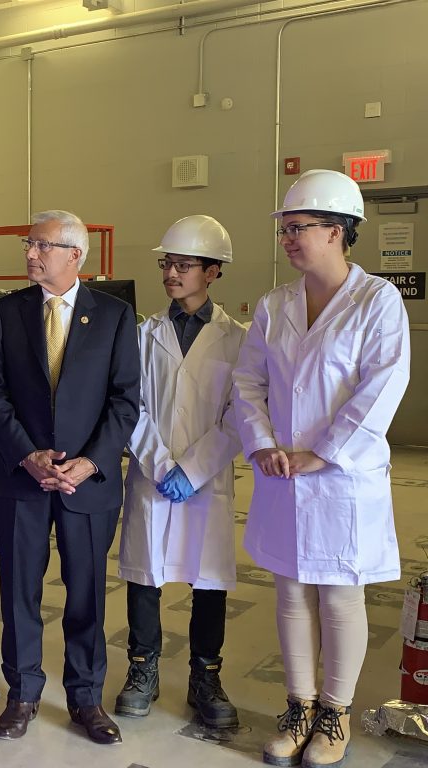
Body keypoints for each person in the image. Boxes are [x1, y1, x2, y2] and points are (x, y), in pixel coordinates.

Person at [232, 170, 410, 768]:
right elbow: (247, 380)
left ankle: (335, 713)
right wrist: (260, 443)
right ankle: (299, 706)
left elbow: (383, 387)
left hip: (341, 478)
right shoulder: (275, 303)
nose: (286, 238)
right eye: (284, 229)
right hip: (282, 473)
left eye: (297, 228)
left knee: (338, 593)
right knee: (289, 590)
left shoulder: (376, 300)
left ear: (337, 231)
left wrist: (323, 453)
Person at [0, 210, 140, 744]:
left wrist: (90, 462)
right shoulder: (7, 314)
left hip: (86, 483)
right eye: (28, 243)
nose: (28, 253)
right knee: (20, 590)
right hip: (23, 477)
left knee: (86, 593)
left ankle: (86, 698)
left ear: (75, 255)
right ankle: (22, 694)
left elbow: (125, 402)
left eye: (40, 245)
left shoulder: (114, 316)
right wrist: (27, 455)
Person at [116, 215, 245, 729]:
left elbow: (242, 413)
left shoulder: (239, 338)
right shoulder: (143, 334)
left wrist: (194, 469)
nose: (171, 272)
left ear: (213, 271)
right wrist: (161, 463)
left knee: (208, 580)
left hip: (208, 480)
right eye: (166, 262)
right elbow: (130, 405)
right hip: (153, 474)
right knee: (145, 575)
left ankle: (205, 675)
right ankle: (142, 670)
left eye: (183, 264)